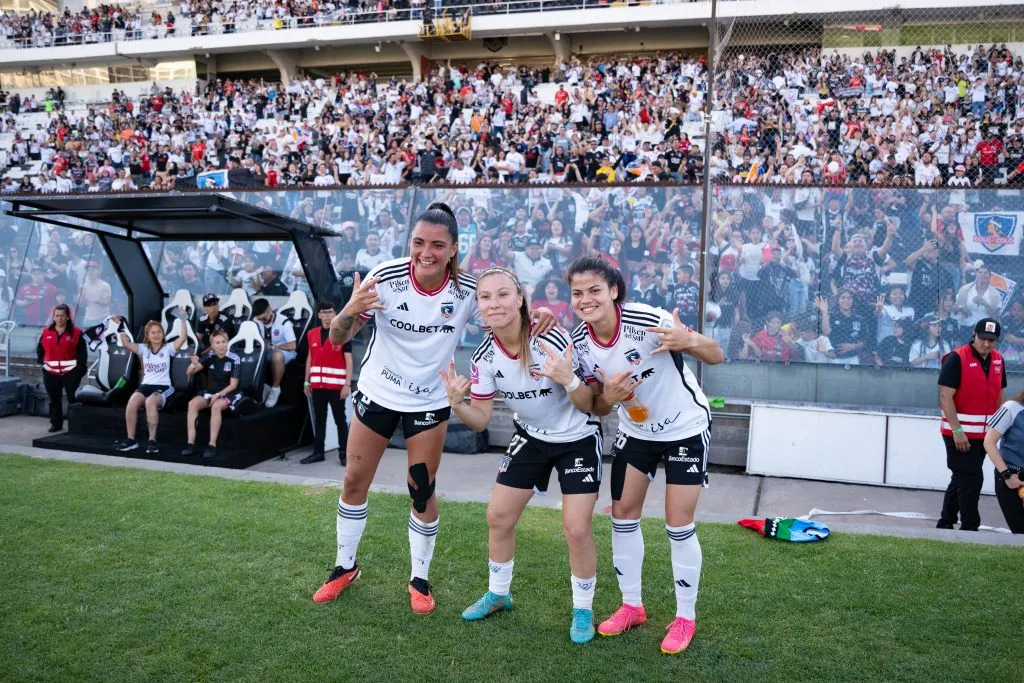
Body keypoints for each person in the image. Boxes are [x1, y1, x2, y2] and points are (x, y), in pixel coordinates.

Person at [311, 202, 557, 615]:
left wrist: (537, 312)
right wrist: (350, 310)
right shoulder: (384, 278)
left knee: (421, 491)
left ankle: (419, 578)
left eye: (437, 245)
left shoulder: (467, 289)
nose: (426, 252)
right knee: (354, 480)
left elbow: (505, 307)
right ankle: (343, 567)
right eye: (419, 242)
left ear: (453, 248)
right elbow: (337, 339)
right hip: (378, 394)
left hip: (429, 401)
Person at [567, 256, 723, 654]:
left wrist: (689, 340)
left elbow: (715, 354)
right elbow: (597, 408)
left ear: (613, 291)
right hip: (636, 432)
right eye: (577, 293)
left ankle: (685, 617)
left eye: (594, 290)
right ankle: (632, 606)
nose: (586, 300)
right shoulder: (580, 344)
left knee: (678, 523)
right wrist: (608, 398)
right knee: (622, 516)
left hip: (685, 427)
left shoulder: (646, 319)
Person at [439, 267, 601, 643]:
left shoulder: (552, 337)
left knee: (576, 528)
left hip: (577, 437)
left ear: (520, 299)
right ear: (478, 305)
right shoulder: (483, 356)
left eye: (502, 295)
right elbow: (480, 421)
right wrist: (457, 404)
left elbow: (588, 404)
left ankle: (582, 610)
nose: (494, 304)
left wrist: (568, 379)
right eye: (485, 297)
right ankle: (498, 594)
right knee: (497, 516)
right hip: (531, 437)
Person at [937, 318, 1007, 531]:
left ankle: (945, 522)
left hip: (984, 437)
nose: (986, 344)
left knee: (960, 479)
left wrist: (1002, 428)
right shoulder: (956, 358)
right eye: (983, 339)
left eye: (992, 341)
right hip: (958, 434)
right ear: (973, 335)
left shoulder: (998, 360)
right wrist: (958, 431)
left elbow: (1000, 396)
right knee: (972, 480)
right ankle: (970, 528)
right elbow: (945, 397)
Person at [116, 308, 190, 454]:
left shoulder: (168, 348)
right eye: (153, 333)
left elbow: (183, 338)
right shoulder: (143, 349)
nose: (156, 335)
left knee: (150, 401)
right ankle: (131, 440)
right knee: (132, 402)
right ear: (148, 336)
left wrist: (183, 319)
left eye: (159, 332)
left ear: (163, 334)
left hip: (164, 387)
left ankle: (152, 441)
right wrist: (120, 326)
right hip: (146, 386)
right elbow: (125, 343)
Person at [301, 301, 353, 466]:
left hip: (337, 387)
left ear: (335, 313)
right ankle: (318, 452)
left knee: (340, 421)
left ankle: (343, 454)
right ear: (319, 315)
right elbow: (310, 357)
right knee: (319, 420)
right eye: (324, 312)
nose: (327, 315)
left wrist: (347, 384)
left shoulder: (343, 333)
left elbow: (349, 361)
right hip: (317, 386)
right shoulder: (312, 334)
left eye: (330, 312)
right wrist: (306, 381)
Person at [182, 329, 240, 460]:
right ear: (212, 345)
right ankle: (190, 443)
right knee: (192, 404)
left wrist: (218, 395)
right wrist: (193, 363)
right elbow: (189, 372)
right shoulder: (210, 356)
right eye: (217, 342)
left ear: (227, 342)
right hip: (213, 390)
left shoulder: (234, 358)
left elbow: (233, 385)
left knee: (216, 406)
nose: (221, 345)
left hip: (230, 392)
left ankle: (212, 444)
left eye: (223, 342)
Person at [36, 303, 86, 433]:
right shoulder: (46, 331)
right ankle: (56, 424)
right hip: (50, 372)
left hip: (71, 373)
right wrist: (42, 363)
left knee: (73, 400)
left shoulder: (77, 333)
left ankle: (75, 426)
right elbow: (40, 349)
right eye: (57, 316)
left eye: (62, 316)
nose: (59, 318)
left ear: (68, 317)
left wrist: (79, 371)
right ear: (53, 317)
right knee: (54, 400)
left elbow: (82, 354)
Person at [982, 394, 1024, 533]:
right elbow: (989, 442)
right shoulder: (1012, 407)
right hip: (1012, 479)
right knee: (1020, 533)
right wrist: (1007, 475)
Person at [252, 298, 295, 408]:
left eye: (266, 315)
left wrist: (273, 347)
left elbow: (292, 346)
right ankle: (259, 387)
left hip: (285, 352)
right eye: (261, 319)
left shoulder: (284, 321)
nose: (265, 319)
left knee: (276, 355)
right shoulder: (255, 322)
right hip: (266, 351)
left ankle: (275, 389)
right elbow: (255, 342)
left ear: (270, 308)